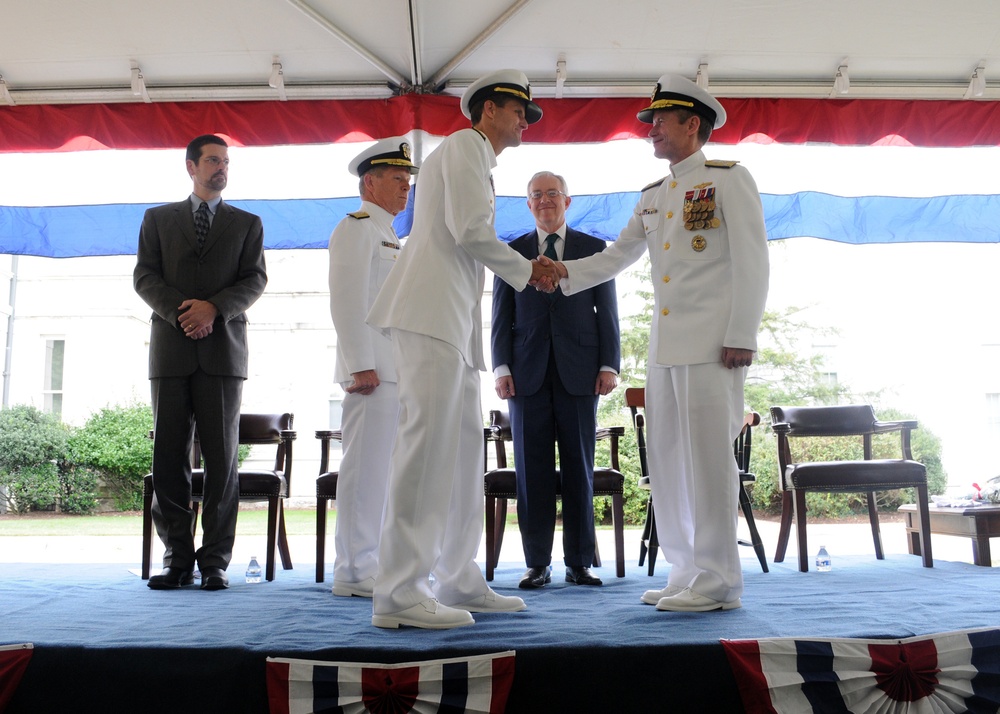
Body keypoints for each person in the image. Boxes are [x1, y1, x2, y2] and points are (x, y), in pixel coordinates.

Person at [540, 74, 769, 612]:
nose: (652, 130)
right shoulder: (655, 194)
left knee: (710, 460)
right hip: (667, 349)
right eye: (651, 122)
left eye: (661, 121)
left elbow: (754, 260)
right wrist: (559, 272)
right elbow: (616, 256)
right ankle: (687, 570)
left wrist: (742, 333)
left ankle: (719, 581)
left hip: (716, 346)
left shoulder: (729, 179)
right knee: (667, 461)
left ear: (693, 124)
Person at [366, 69, 559, 629]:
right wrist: (530, 270)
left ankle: (456, 576)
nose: (524, 120)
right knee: (424, 454)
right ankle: (400, 591)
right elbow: (472, 230)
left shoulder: (471, 155)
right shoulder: (465, 147)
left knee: (457, 457)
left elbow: (467, 237)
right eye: (518, 109)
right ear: (489, 109)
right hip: (430, 315)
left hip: (447, 319)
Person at [134, 134, 268, 591]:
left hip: (223, 353)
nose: (221, 168)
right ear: (191, 167)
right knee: (169, 457)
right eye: (213, 160)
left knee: (222, 460)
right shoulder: (156, 219)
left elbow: (255, 279)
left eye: (226, 161)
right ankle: (176, 559)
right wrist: (182, 312)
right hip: (171, 352)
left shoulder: (248, 223)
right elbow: (144, 276)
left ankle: (214, 562)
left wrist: (214, 309)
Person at [491, 171, 620, 589]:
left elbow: (608, 312)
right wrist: (501, 368)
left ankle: (580, 562)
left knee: (580, 468)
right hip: (525, 374)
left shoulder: (593, 249)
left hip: (581, 372)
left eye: (552, 194)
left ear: (568, 201)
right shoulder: (511, 251)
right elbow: (500, 315)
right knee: (532, 471)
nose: (545, 200)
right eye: (536, 195)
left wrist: (609, 365)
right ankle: (538, 563)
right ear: (528, 205)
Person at [327, 137, 417, 597]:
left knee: (384, 473)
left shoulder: (388, 233)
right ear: (369, 182)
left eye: (408, 182)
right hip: (371, 374)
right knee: (363, 472)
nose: (406, 189)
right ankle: (354, 570)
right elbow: (346, 301)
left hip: (394, 371)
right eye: (398, 180)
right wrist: (359, 364)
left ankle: (373, 562)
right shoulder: (357, 227)